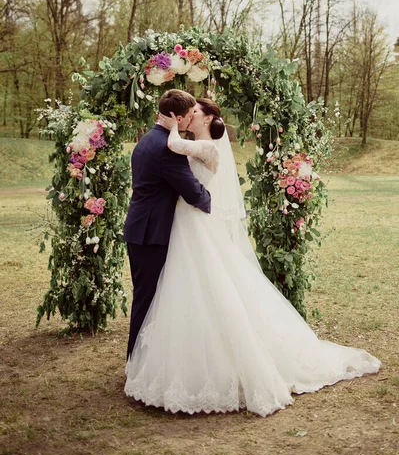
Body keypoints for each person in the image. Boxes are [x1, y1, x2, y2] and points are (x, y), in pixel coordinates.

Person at [125, 98, 380, 416]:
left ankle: (152, 363)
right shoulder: (173, 144)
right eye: (186, 113)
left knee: (187, 291)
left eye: (195, 113)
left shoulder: (181, 144)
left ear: (205, 119)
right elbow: (185, 180)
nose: (190, 116)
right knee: (178, 294)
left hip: (185, 223)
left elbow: (196, 190)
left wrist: (203, 199)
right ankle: (148, 362)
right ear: (178, 117)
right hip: (173, 227)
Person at [123, 89, 211, 360]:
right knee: (147, 300)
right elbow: (192, 192)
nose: (187, 123)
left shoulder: (147, 139)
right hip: (151, 233)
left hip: (139, 228)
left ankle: (141, 360)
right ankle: (135, 363)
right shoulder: (166, 149)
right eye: (185, 118)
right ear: (176, 116)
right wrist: (210, 199)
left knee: (145, 297)